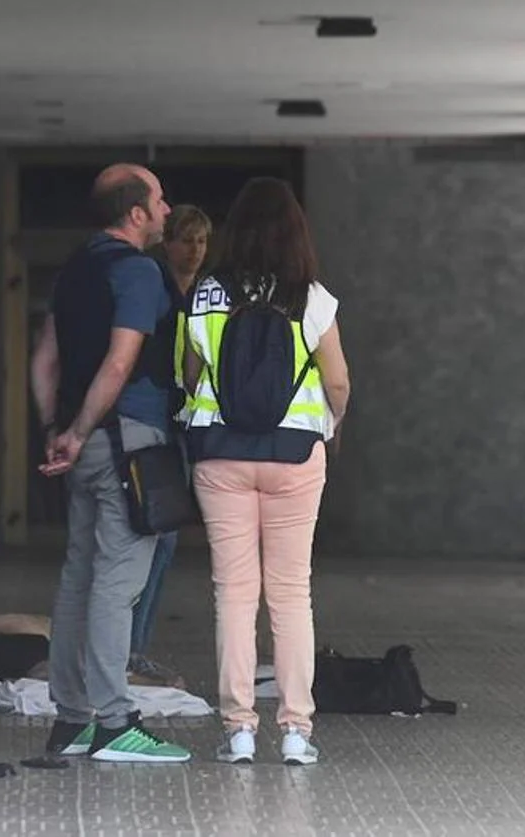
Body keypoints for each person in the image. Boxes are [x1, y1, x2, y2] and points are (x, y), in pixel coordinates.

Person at [182, 177, 350, 765]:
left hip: (221, 455)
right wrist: (333, 422)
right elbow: (337, 381)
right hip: (295, 457)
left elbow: (189, 372)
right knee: (290, 591)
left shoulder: (206, 292)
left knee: (233, 593)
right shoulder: (314, 297)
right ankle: (297, 731)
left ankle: (239, 730)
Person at [29, 163, 191, 763]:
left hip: (85, 446)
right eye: (160, 200)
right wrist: (79, 429)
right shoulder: (139, 272)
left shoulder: (74, 271)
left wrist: (58, 430)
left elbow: (45, 359)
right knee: (118, 585)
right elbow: (122, 363)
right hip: (128, 444)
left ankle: (70, 718)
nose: (169, 211)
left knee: (79, 577)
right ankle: (114, 723)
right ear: (136, 214)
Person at [128, 204, 213, 684]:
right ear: (168, 243)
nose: (195, 250)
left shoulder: (206, 293)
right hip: (151, 417)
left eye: (201, 241)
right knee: (149, 533)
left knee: (167, 537)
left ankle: (136, 647)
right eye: (186, 240)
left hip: (187, 424)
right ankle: (127, 649)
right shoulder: (154, 284)